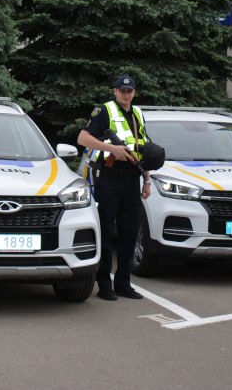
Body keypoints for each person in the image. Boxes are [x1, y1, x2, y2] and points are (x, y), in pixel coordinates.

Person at [77, 74, 152, 301]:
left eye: (129, 91)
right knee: (107, 232)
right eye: (122, 91)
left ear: (134, 93)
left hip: (132, 178)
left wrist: (147, 179)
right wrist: (111, 150)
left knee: (129, 232)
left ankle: (123, 283)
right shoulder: (104, 111)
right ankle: (104, 285)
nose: (126, 94)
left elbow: (142, 150)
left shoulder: (137, 113)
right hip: (108, 177)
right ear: (115, 91)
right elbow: (82, 138)